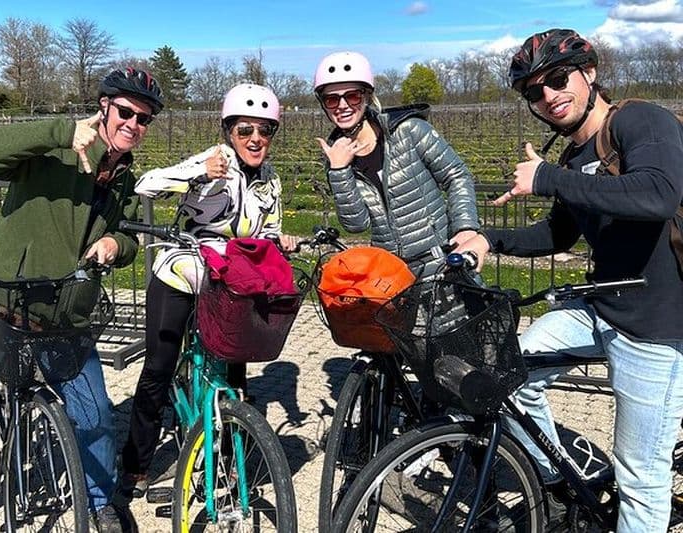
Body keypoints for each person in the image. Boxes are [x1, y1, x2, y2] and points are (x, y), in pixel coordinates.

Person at [456, 29, 683, 531]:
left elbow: (658, 194)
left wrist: (548, 179)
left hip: (657, 327)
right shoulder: (573, 159)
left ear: (591, 72)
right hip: (600, 309)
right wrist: (488, 240)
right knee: (509, 381)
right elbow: (558, 234)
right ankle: (561, 480)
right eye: (534, 91)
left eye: (558, 79)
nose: (549, 97)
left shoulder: (641, 121)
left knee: (640, 479)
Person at [0, 67, 163, 533]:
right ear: (104, 106)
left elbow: (128, 235)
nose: (133, 124)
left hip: (65, 314)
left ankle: (98, 502)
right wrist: (59, 130)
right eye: (126, 112)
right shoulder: (54, 148)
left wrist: (118, 245)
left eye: (144, 118)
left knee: (94, 413)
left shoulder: (126, 179)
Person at [120, 83, 297, 496]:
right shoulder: (213, 160)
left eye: (265, 131)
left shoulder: (271, 180)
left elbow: (267, 230)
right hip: (183, 271)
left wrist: (280, 239)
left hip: (232, 281)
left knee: (236, 370)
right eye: (245, 130)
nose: (255, 139)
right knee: (159, 368)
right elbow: (145, 184)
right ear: (229, 132)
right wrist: (198, 173)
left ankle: (227, 458)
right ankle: (136, 465)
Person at [313, 51, 480, 282]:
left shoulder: (408, 131)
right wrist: (339, 171)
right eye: (331, 99)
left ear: (367, 96)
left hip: (443, 261)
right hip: (390, 273)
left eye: (352, 96)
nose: (342, 105)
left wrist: (465, 227)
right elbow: (357, 225)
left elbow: (456, 176)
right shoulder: (336, 157)